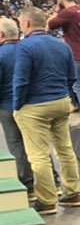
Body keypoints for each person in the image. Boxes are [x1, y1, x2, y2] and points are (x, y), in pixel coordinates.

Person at [11, 7, 80, 215]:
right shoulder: (62, 45)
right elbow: (72, 77)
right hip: (61, 102)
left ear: (25, 23)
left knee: (39, 155)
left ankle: (47, 200)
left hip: (34, 106)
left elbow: (21, 79)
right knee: (65, 149)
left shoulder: (25, 47)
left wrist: (18, 105)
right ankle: (73, 193)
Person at [0, 17, 34, 201]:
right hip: (32, 104)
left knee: (17, 145)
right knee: (38, 144)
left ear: (1, 34)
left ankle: (28, 186)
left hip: (8, 106)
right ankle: (53, 182)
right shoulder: (28, 49)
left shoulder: (1, 54)